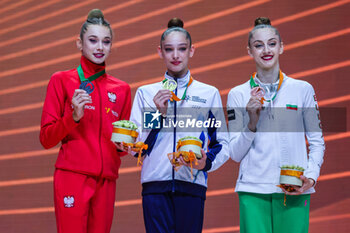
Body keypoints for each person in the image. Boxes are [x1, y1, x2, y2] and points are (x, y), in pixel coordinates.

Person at [129, 18, 229, 233]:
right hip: (155, 187)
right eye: (169, 49)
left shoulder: (208, 93)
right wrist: (158, 115)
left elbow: (222, 142)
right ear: (160, 52)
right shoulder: (146, 94)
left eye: (181, 49)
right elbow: (136, 148)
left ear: (191, 51)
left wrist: (206, 163)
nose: (175, 55)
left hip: (192, 186)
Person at [227, 17, 325, 233]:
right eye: (258, 45)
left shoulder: (303, 89)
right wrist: (251, 123)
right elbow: (234, 153)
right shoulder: (237, 94)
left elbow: (317, 142)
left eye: (272, 43)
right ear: (249, 51)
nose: (266, 50)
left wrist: (310, 176)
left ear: (281, 46)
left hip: (294, 189)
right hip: (253, 190)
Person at [39, 9, 131, 233]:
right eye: (93, 40)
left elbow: (121, 147)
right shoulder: (61, 80)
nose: (100, 47)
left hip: (106, 181)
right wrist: (73, 117)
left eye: (106, 42)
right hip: (72, 177)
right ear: (79, 43)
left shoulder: (122, 89)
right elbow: (46, 139)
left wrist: (125, 146)